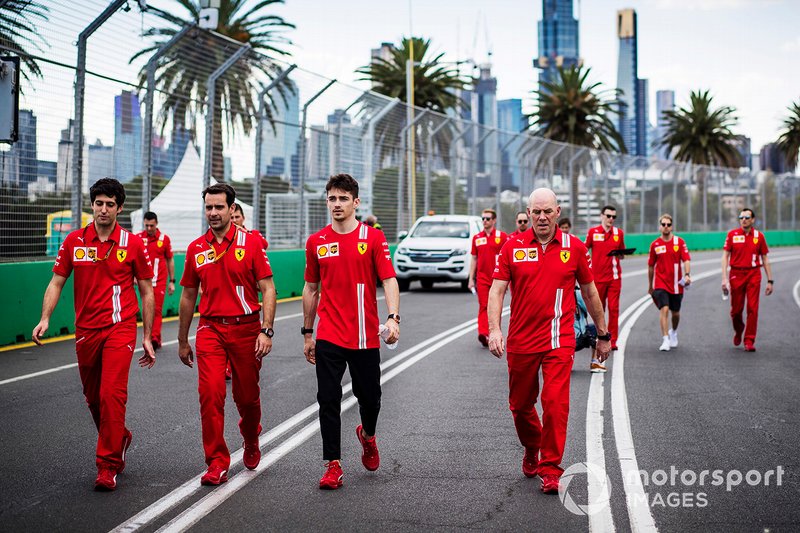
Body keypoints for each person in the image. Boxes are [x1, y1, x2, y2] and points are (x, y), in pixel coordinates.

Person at [32, 178, 156, 491]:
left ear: (119, 208)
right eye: (99, 203)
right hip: (86, 330)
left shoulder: (132, 244)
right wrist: (45, 318)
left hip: (120, 327)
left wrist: (147, 334)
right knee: (93, 399)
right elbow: (57, 282)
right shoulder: (75, 241)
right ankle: (120, 436)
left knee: (111, 394)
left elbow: (146, 290)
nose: (103, 209)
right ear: (92, 205)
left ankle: (108, 465)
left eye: (110, 204)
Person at [487, 188, 611, 494]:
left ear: (557, 212)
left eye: (547, 211)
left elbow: (591, 292)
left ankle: (551, 467)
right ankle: (532, 446)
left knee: (555, 404)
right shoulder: (512, 247)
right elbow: (497, 290)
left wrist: (603, 334)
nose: (542, 217)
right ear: (528, 214)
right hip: (521, 341)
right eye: (536, 212)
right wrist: (494, 329)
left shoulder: (576, 248)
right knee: (520, 406)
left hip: (559, 340)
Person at [302, 173, 400, 491]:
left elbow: (388, 280)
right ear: (327, 202)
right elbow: (310, 288)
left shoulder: (372, 238)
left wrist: (394, 318)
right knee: (327, 399)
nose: (337, 204)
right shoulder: (316, 242)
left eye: (344, 198)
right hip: (329, 333)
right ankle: (333, 464)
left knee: (369, 399)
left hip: (365, 335)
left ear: (356, 202)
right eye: (332, 198)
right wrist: (307, 332)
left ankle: (367, 436)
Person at [177, 183, 277, 486]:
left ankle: (250, 437)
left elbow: (268, 289)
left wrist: (266, 330)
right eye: (208, 207)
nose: (213, 213)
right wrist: (182, 340)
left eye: (219, 207)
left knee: (246, 397)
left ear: (231, 209)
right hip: (210, 328)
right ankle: (217, 462)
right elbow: (187, 296)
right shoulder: (196, 248)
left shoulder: (251, 244)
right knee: (210, 394)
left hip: (247, 328)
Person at [721, 208, 773, 352]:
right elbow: (725, 256)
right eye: (741, 217)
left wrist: (770, 281)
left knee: (752, 308)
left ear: (753, 220)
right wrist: (724, 278)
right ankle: (739, 330)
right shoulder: (732, 235)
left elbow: (765, 258)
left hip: (753, 274)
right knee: (736, 311)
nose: (743, 219)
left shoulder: (759, 236)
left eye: (747, 217)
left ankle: (749, 340)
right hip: (736, 274)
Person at [648, 214, 691, 352]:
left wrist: (687, 275)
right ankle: (665, 339)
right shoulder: (655, 244)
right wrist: (650, 285)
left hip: (677, 284)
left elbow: (686, 260)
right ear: (660, 226)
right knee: (664, 309)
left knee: (676, 313)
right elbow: (650, 266)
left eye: (668, 224)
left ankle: (673, 332)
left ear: (672, 226)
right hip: (661, 283)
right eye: (663, 224)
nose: (666, 227)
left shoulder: (680, 242)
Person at [585, 206, 626, 350]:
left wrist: (620, 253)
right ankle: (599, 336)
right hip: (597, 278)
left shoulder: (618, 233)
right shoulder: (593, 232)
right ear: (601, 216)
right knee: (599, 310)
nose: (611, 219)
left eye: (614, 217)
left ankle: (613, 340)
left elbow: (622, 255)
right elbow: (585, 249)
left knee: (614, 308)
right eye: (608, 216)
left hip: (614, 277)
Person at [468, 209, 508, 347]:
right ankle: (483, 333)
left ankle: (495, 333)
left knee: (496, 306)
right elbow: (474, 258)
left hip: (498, 279)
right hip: (482, 278)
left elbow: (506, 258)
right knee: (484, 305)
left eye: (488, 219)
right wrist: (470, 279)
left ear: (494, 220)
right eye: (483, 218)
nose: (485, 221)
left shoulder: (502, 237)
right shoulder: (477, 238)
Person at [137, 212, 174, 350]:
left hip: (159, 281)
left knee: (156, 309)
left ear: (156, 223)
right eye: (146, 225)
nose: (149, 228)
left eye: (151, 225)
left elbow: (170, 260)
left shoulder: (164, 239)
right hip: (143, 281)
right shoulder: (138, 238)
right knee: (146, 309)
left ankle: (154, 338)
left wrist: (172, 281)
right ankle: (150, 336)